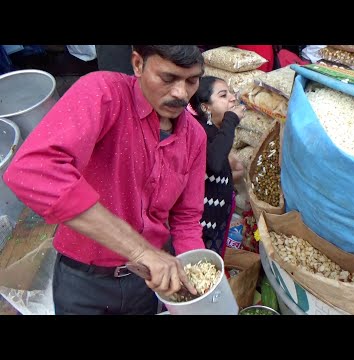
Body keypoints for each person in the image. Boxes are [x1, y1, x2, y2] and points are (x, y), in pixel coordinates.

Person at [3, 45, 207, 315]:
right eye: (168, 78)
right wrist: (139, 250)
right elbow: (32, 170)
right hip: (83, 280)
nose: (181, 93)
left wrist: (196, 282)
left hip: (146, 284)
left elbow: (186, 219)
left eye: (191, 81)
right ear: (138, 64)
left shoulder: (195, 137)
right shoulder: (103, 93)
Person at [189, 76, 246, 257]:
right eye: (223, 95)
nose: (232, 98)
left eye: (230, 93)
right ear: (206, 107)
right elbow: (214, 162)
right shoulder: (199, 131)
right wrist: (231, 119)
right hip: (203, 226)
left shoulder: (215, 131)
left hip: (216, 216)